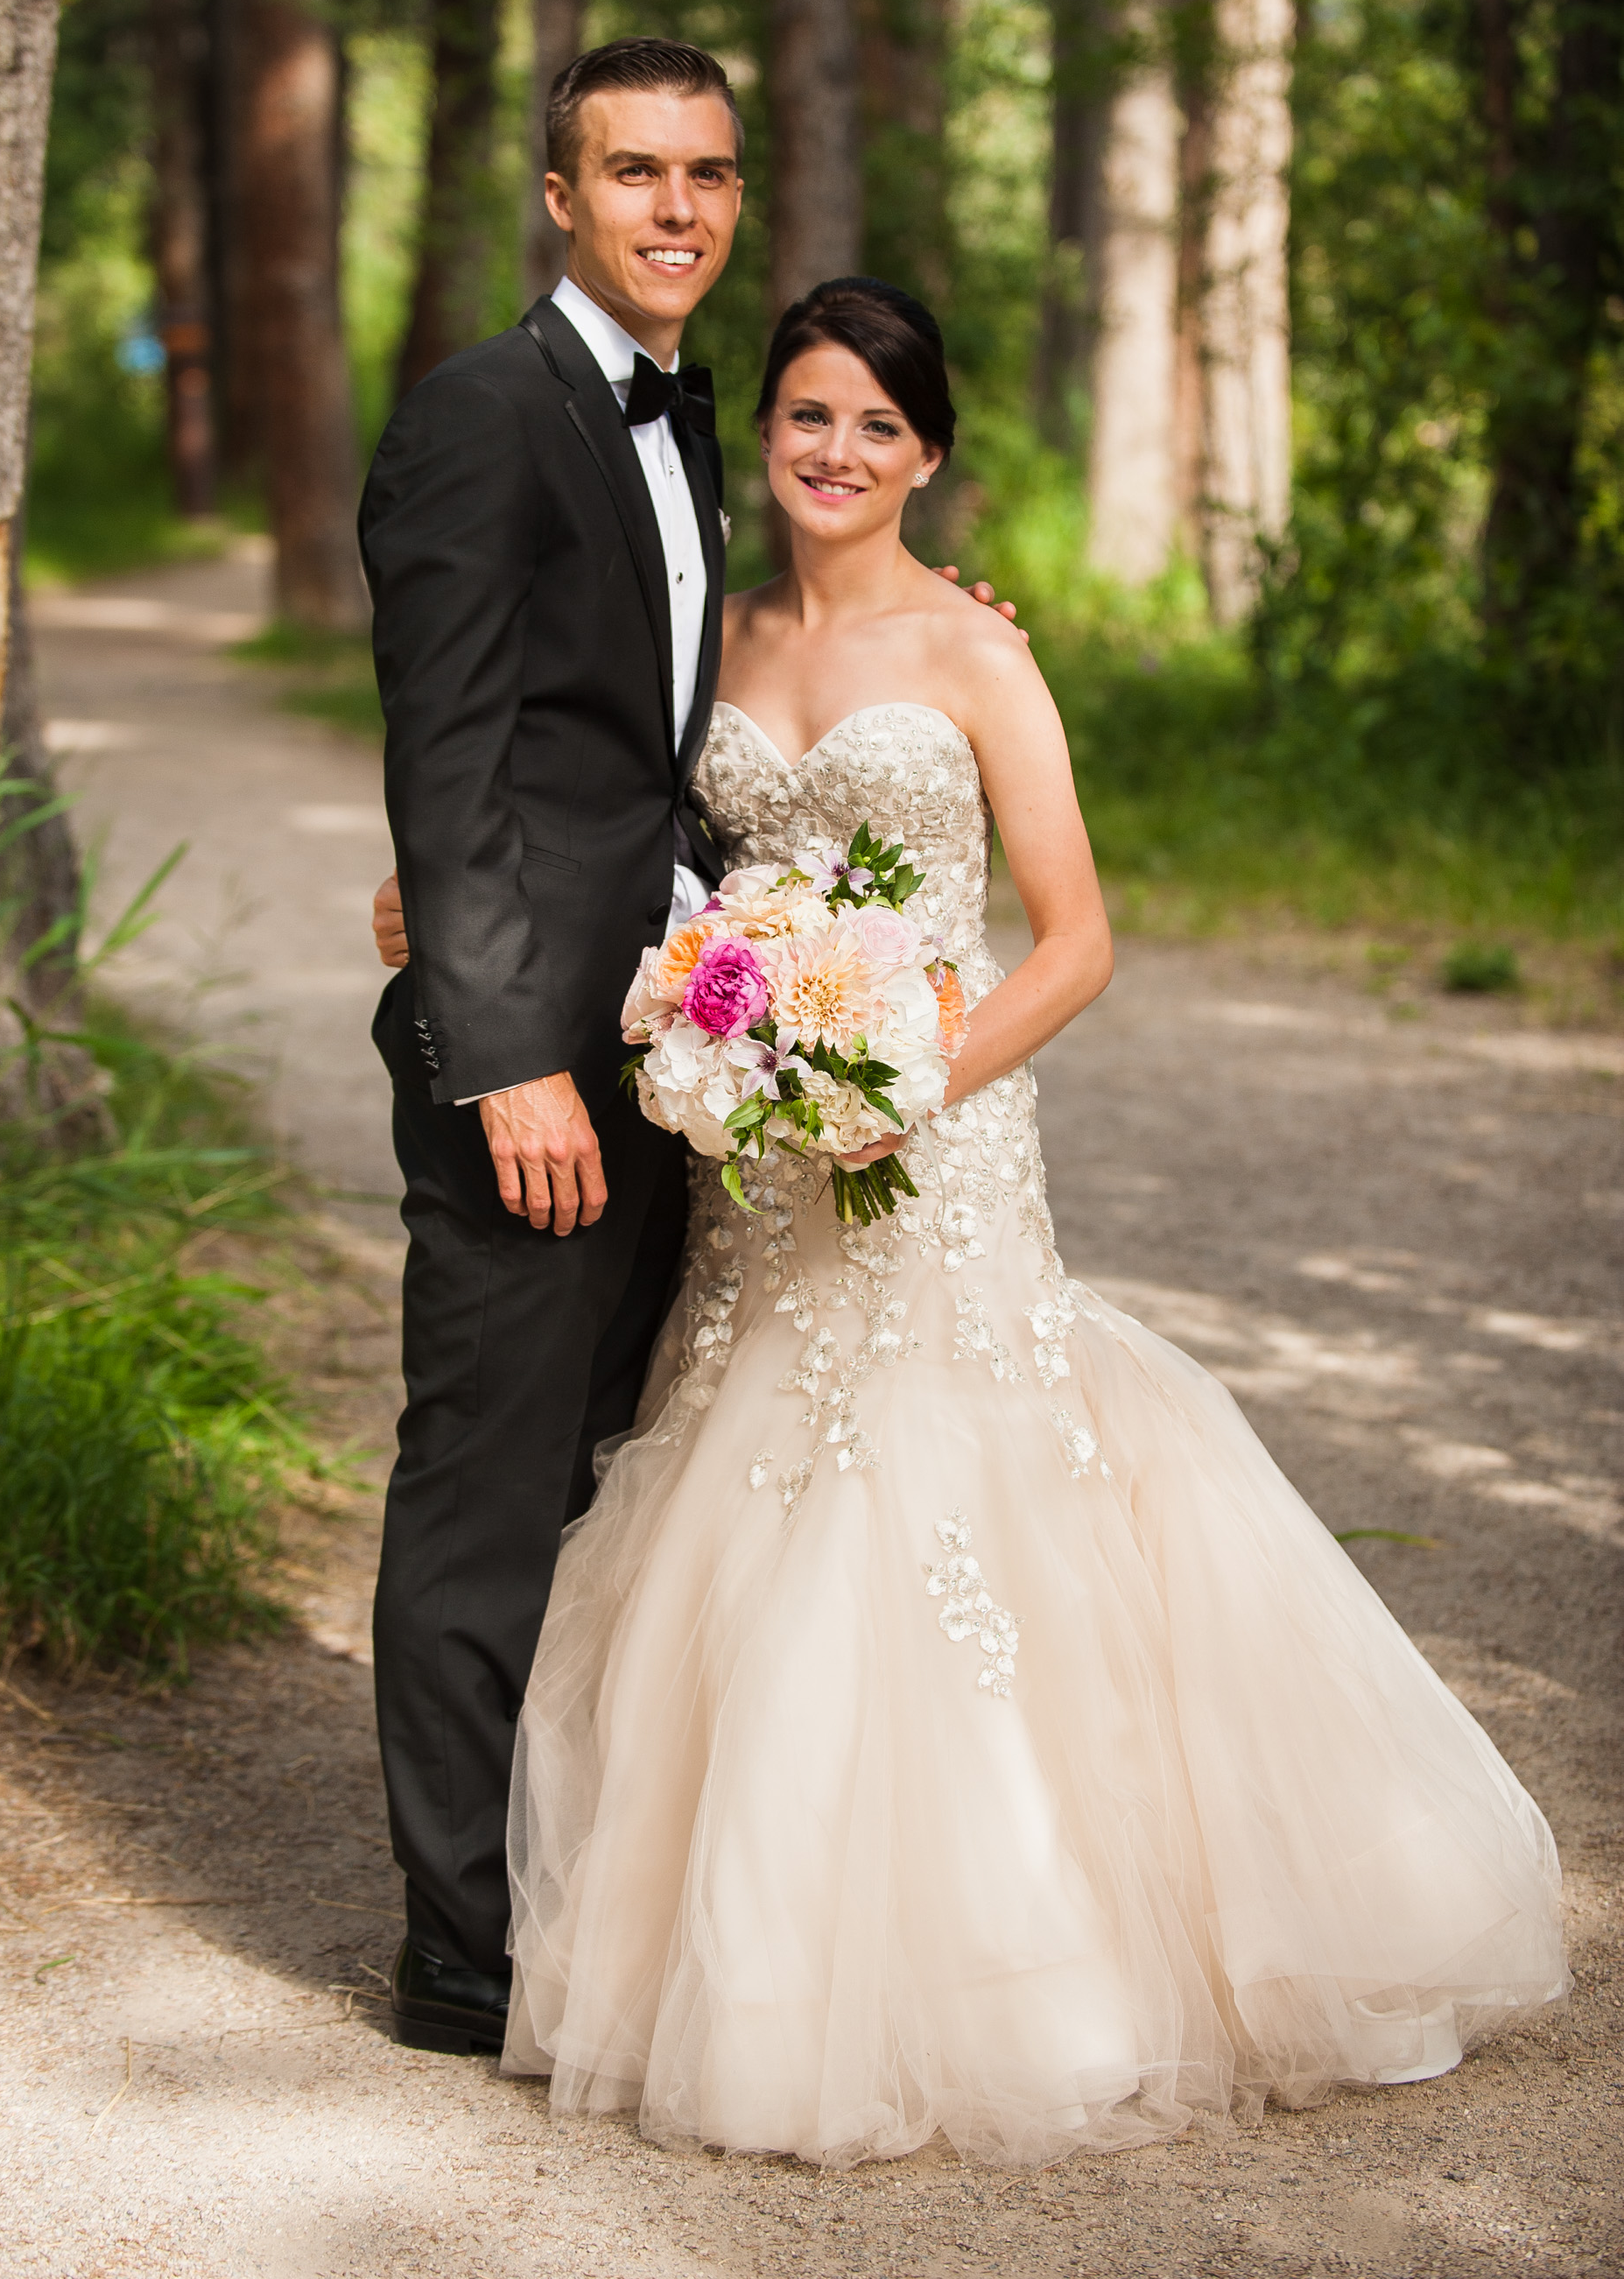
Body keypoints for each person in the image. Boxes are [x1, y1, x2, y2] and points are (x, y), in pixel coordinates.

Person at [378, 275, 1567, 2166]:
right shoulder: (714, 640)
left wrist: (897, 1089)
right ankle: (726, 1949)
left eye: (875, 424)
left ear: (926, 454)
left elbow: (1077, 936)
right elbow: (593, 782)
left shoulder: (977, 656)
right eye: (805, 416)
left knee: (941, 1488)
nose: (834, 451)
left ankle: (1022, 1960)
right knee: (733, 1485)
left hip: (928, 1140)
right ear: (762, 434)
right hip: (753, 1160)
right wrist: (447, 892)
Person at [361, 41, 1017, 2060]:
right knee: (487, 1493)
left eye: (706, 173)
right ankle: (460, 1953)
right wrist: (498, 1051)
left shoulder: (684, 420)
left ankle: (581, 1897)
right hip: (539, 1078)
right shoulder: (480, 414)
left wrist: (925, 652)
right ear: (556, 195)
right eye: (631, 171)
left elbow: (649, 752)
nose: (674, 207)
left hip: (672, 1063)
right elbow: (449, 754)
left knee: (612, 1491)